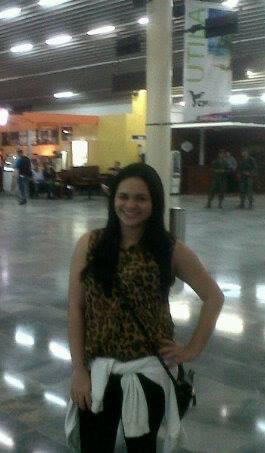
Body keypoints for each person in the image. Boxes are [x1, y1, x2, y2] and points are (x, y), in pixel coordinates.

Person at [66, 163, 224, 452]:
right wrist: (78, 370)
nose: (130, 205)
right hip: (98, 368)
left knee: (142, 447)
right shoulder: (91, 244)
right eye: (123, 196)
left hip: (147, 370)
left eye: (141, 198)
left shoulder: (169, 249)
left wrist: (191, 350)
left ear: (154, 203)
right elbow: (76, 309)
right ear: (113, 199)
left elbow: (213, 297)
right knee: (94, 445)